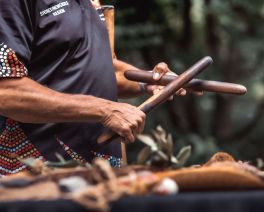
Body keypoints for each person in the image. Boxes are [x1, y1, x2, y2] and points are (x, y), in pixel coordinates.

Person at [0, 0, 186, 176]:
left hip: (103, 170)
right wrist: (104, 110)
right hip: (39, 171)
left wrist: (147, 81)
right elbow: (6, 92)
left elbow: (97, 67)